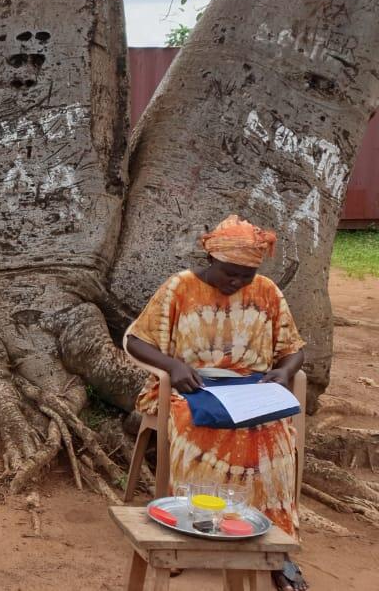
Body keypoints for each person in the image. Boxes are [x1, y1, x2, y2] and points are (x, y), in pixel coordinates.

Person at [126, 215, 308, 591]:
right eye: (230, 273)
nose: (237, 283)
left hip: (252, 387)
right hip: (194, 387)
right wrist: (173, 365)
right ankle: (189, 535)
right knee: (195, 424)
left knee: (274, 432)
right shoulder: (180, 287)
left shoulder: (267, 290)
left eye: (246, 276)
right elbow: (135, 340)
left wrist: (286, 372)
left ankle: (276, 548)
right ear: (211, 260)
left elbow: (293, 349)